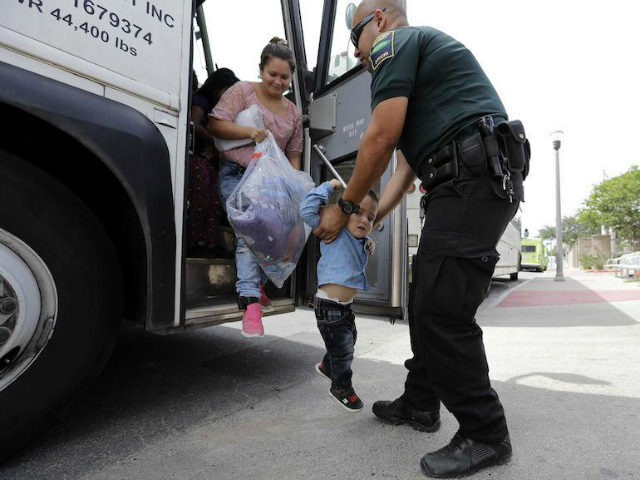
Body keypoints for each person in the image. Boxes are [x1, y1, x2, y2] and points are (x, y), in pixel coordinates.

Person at [314, 1, 530, 477]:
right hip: (465, 179)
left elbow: (379, 138)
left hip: (470, 179)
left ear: (381, 20)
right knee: (426, 294)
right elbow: (404, 168)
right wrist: (372, 218)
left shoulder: (395, 43)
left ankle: (485, 433)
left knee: (441, 308)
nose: (355, 54)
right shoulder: (426, 81)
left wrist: (345, 207)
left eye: (354, 38)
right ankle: (420, 403)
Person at [209, 37, 304, 338]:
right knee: (249, 232)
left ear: (291, 76)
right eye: (272, 74)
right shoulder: (242, 91)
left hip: (271, 184)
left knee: (274, 237)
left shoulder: (293, 113)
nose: (278, 82)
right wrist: (252, 132)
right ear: (261, 69)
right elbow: (215, 124)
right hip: (237, 174)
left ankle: (258, 287)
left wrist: (293, 184)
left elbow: (294, 155)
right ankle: (249, 300)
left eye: (284, 77)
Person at [300, 179, 378, 413]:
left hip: (344, 307)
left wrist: (368, 243)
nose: (364, 220)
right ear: (344, 212)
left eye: (371, 217)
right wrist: (328, 186)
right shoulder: (334, 229)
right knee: (344, 349)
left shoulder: (359, 239)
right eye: (358, 212)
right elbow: (306, 210)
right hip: (328, 306)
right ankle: (341, 387)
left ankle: (327, 366)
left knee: (349, 339)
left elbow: (359, 244)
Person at [187, 68, 239, 256]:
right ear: (218, 86)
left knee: (215, 202)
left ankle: (210, 244)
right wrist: (217, 141)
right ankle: (193, 242)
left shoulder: (220, 110)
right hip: (197, 158)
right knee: (200, 200)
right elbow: (194, 124)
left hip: (210, 162)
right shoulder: (202, 101)